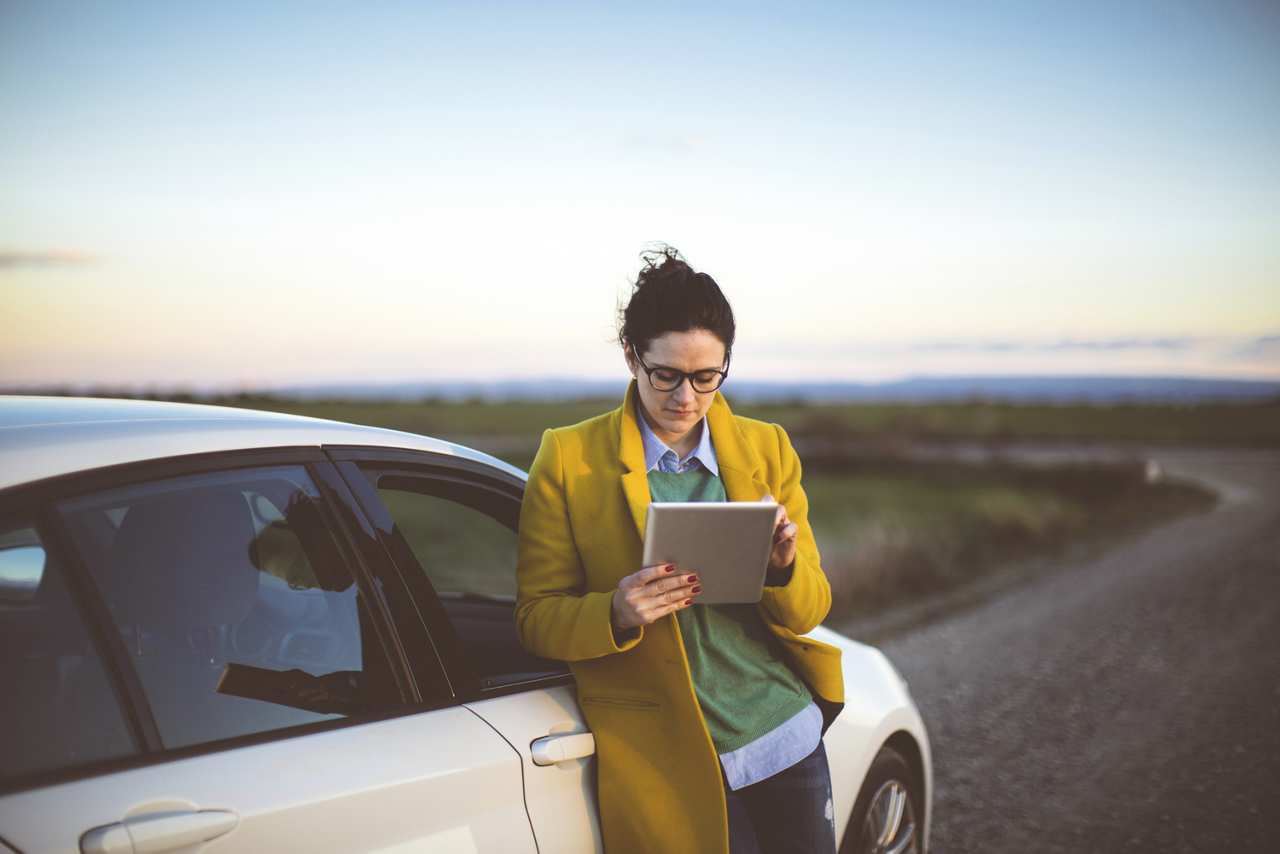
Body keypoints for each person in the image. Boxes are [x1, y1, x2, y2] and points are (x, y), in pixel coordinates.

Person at [515, 246, 845, 853]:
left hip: (782, 733)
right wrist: (613, 613)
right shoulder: (567, 457)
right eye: (664, 374)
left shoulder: (767, 448)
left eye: (706, 378)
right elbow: (536, 618)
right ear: (630, 355)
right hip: (662, 756)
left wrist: (783, 568)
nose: (685, 397)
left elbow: (810, 610)